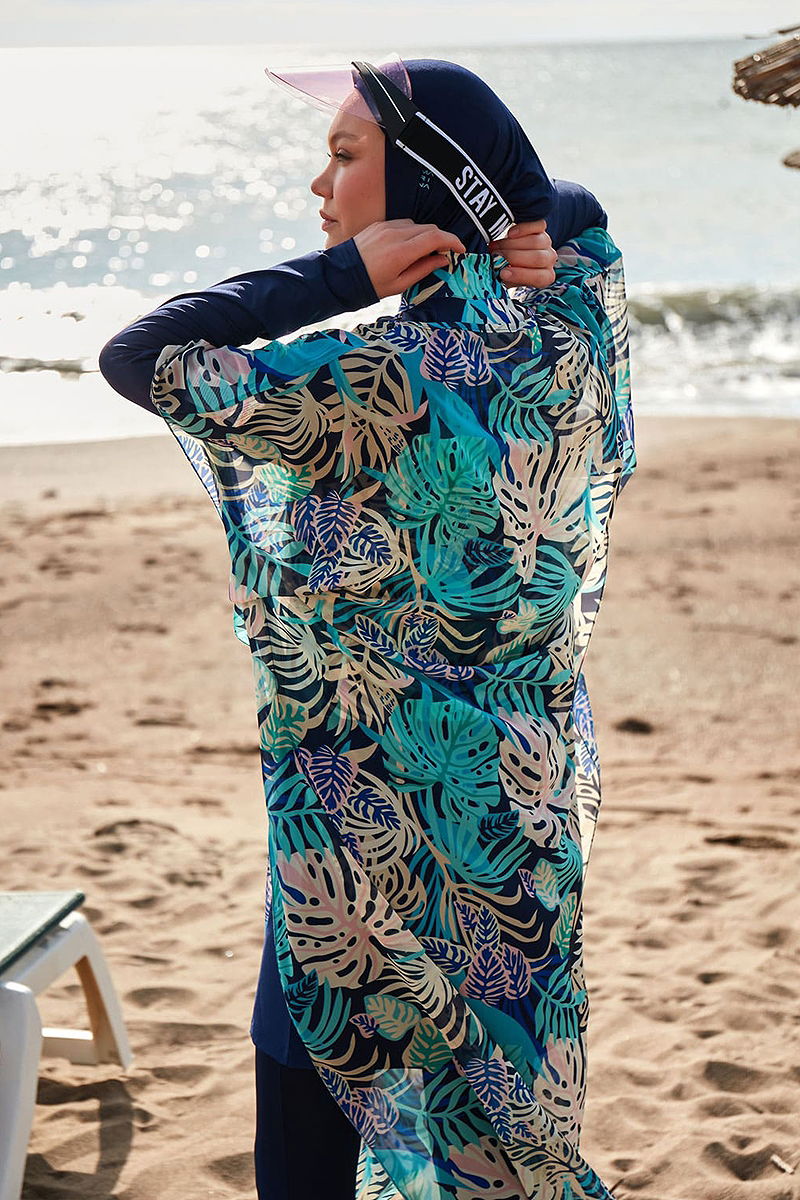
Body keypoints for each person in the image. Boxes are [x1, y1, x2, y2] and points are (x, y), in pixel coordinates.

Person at [100, 55, 635, 1200]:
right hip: (514, 816)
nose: (318, 185)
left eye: (344, 157)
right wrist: (522, 221)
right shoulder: (565, 336)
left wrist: (335, 276)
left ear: (428, 185)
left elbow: (141, 357)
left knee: (307, 1106)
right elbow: (581, 214)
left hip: (358, 828)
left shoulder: (367, 380)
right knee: (501, 1120)